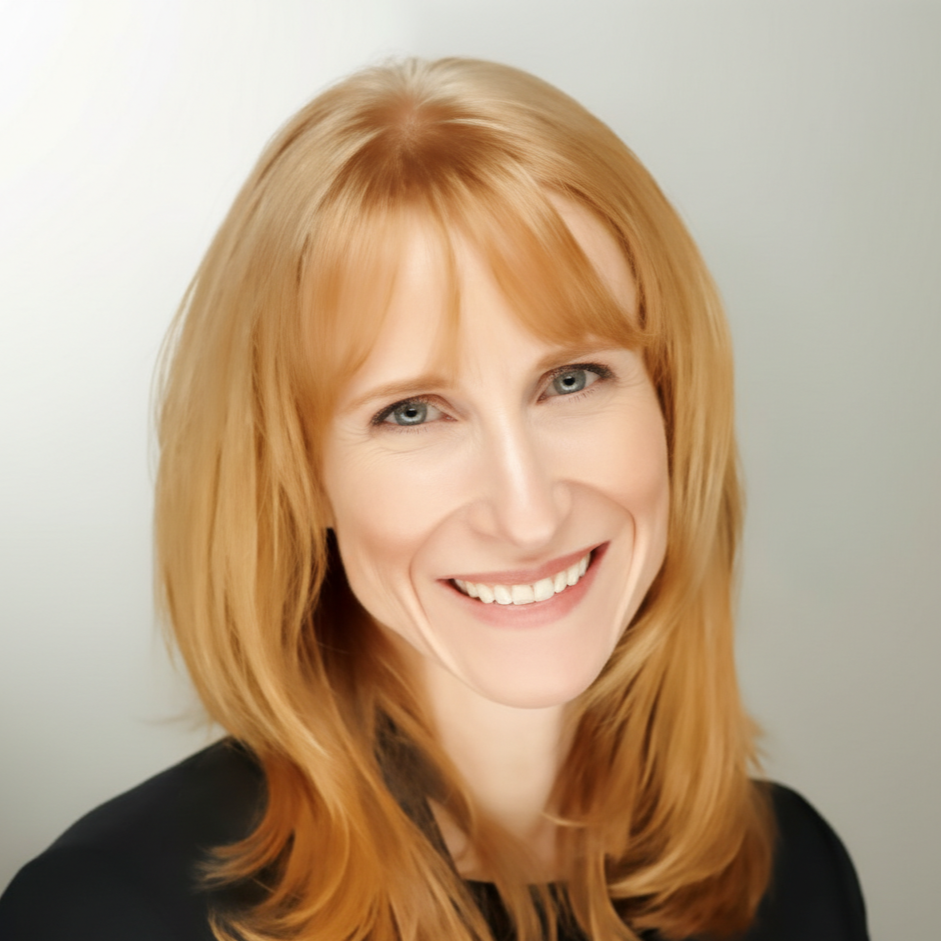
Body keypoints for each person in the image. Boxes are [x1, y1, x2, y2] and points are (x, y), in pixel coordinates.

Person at [0, 58, 869, 941]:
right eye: (410, 412)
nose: (527, 512)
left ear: (670, 405)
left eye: (571, 379)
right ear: (295, 477)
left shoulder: (789, 875)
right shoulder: (100, 916)